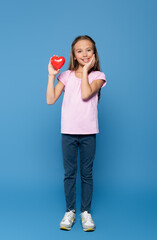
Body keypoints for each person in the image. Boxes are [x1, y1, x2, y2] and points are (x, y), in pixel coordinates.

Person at [46, 35, 106, 231]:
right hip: (68, 132)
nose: (84, 54)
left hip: (89, 133)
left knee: (86, 174)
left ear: (94, 53)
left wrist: (87, 70)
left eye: (88, 50)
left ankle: (85, 213)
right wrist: (51, 75)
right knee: (69, 173)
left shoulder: (98, 76)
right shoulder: (67, 75)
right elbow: (50, 99)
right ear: (73, 54)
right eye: (79, 51)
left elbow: (86, 94)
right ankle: (70, 211)